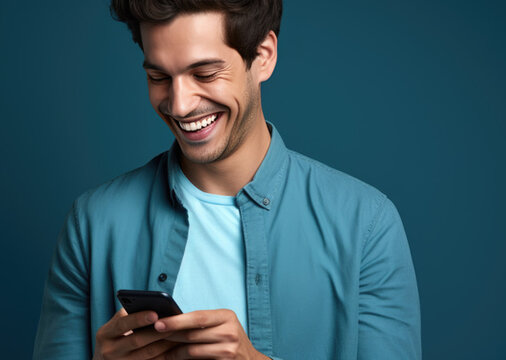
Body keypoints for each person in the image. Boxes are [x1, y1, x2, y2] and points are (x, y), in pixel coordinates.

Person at [33, 0, 421, 359]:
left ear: (263, 56)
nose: (180, 104)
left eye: (204, 72)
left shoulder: (367, 225)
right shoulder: (92, 223)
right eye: (158, 76)